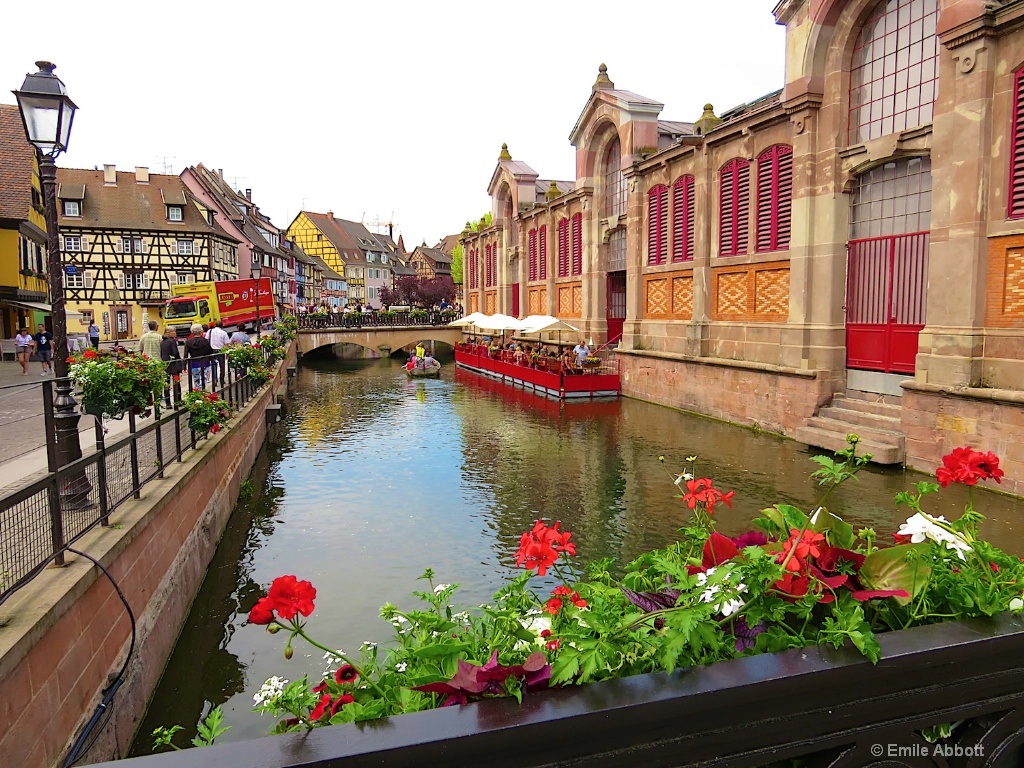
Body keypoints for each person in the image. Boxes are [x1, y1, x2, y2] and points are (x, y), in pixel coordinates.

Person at [184, 323, 215, 390]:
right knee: (204, 381)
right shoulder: (205, 341)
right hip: (205, 363)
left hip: (194, 364)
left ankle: (197, 393)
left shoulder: (188, 342)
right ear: (201, 331)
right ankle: (202, 394)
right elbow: (210, 351)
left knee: (196, 381)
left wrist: (184, 366)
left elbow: (185, 355)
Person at [160, 327, 183, 407]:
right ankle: (178, 401)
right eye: (173, 331)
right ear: (169, 332)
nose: (175, 333)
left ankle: (168, 403)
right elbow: (175, 352)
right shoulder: (172, 341)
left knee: (166, 384)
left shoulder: (163, 342)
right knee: (176, 383)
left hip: (165, 364)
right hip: (173, 364)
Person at [207, 320, 230, 386]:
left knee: (214, 366)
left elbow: (206, 339)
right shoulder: (223, 333)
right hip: (221, 350)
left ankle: (214, 380)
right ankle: (222, 380)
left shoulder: (210, 331)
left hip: (212, 350)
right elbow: (226, 344)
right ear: (222, 326)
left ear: (215, 325)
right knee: (222, 366)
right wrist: (227, 353)